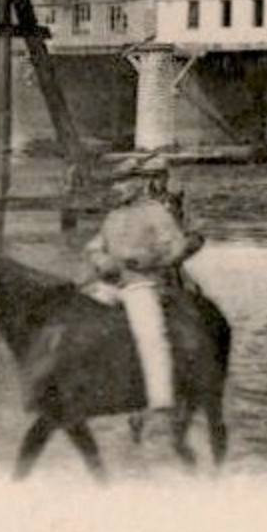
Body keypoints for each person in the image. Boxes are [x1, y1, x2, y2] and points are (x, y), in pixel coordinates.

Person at [79, 158, 204, 413]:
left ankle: (161, 397)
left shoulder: (156, 211)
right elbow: (94, 246)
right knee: (79, 316)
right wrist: (102, 260)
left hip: (143, 281)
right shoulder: (114, 215)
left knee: (150, 334)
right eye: (116, 182)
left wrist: (151, 260)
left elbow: (178, 245)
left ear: (137, 183)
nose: (118, 187)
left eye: (124, 181)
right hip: (111, 281)